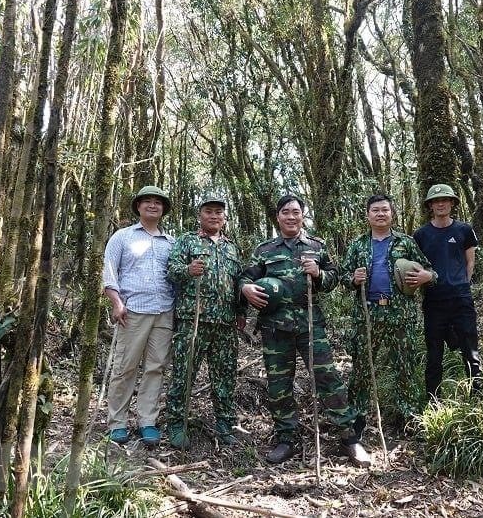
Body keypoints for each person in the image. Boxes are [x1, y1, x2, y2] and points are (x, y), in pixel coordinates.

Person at [240, 195, 371, 467]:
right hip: (275, 327)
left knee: (327, 378)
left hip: (310, 322)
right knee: (279, 384)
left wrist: (319, 274)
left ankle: (349, 437)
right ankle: (286, 439)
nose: (291, 216)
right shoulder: (265, 250)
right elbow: (245, 276)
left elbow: (335, 276)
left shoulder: (316, 246)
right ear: (277, 217)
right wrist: (246, 289)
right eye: (285, 212)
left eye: (296, 212)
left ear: (303, 216)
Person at [340, 194, 436, 434]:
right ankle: (357, 419)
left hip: (400, 313)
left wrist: (428, 276)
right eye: (375, 210)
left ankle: (409, 418)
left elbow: (430, 271)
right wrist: (353, 279)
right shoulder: (358, 245)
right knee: (361, 367)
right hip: (367, 314)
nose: (380, 214)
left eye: (385, 210)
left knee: (404, 366)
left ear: (392, 214)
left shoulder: (406, 242)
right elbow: (342, 276)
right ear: (367, 215)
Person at [166, 197, 246, 449]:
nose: (214, 216)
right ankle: (177, 425)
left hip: (225, 322)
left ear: (225, 218)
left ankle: (225, 425)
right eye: (208, 212)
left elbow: (239, 282)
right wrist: (188, 270)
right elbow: (171, 270)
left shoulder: (232, 248)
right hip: (193, 319)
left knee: (225, 376)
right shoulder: (187, 241)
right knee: (184, 373)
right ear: (200, 215)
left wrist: (241, 312)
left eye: (218, 212)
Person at [102, 185, 176, 446]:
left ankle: (147, 421)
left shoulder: (171, 243)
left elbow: (176, 277)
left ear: (164, 209)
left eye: (158, 202)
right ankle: (117, 422)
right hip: (132, 311)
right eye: (147, 202)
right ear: (138, 206)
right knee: (125, 367)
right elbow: (109, 271)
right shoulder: (122, 237)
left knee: (156, 368)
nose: (153, 205)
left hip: (164, 312)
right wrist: (116, 302)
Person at [413, 184, 483, 397]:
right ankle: (433, 399)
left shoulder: (464, 230)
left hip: (461, 300)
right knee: (434, 353)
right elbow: (417, 266)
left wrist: (462, 284)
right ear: (430, 206)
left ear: (452, 203)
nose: (440, 204)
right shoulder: (421, 234)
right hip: (434, 302)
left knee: (470, 349)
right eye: (436, 201)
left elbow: (470, 262)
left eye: (445, 199)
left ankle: (478, 394)